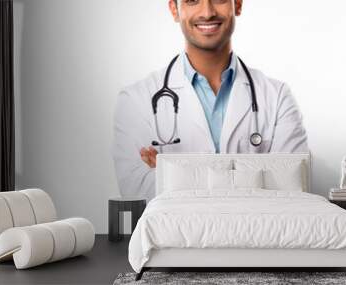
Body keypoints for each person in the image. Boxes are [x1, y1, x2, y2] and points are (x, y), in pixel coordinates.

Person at [112, 0, 309, 201]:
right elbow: (136, 192)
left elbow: (291, 191)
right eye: (192, 0)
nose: (207, 12)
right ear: (174, 9)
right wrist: (254, 177)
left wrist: (173, 176)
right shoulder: (135, 100)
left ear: (238, 5)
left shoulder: (278, 98)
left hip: (256, 234)